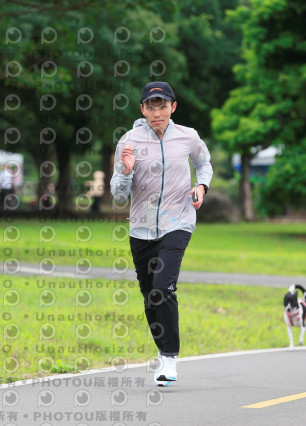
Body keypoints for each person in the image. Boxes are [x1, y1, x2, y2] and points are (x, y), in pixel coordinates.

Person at [110, 81, 213, 386]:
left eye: (163, 106)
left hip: (178, 223)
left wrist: (201, 186)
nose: (157, 113)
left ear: (173, 107)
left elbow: (204, 163)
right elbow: (118, 195)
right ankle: (162, 349)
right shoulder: (128, 141)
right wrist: (126, 170)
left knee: (163, 287)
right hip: (141, 228)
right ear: (142, 109)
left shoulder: (188, 137)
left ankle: (169, 357)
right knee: (149, 294)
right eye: (151, 107)